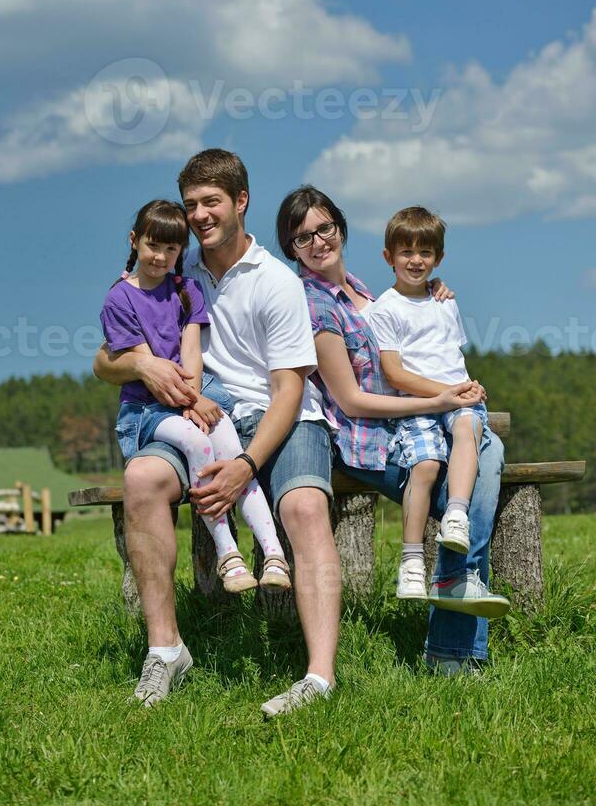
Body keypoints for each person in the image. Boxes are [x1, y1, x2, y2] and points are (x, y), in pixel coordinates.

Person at [94, 151, 339, 714]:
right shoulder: (172, 275)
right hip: (200, 415)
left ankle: (319, 679)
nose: (200, 215)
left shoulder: (276, 281)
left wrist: (246, 466)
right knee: (142, 476)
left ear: (241, 202)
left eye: (211, 203)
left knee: (303, 507)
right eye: (191, 205)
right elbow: (103, 363)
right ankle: (166, 649)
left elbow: (289, 391)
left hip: (278, 418)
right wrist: (140, 366)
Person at [276, 185, 510, 676]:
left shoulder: (365, 289)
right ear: (291, 248)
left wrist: (434, 294)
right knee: (476, 474)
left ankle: (452, 631)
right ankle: (453, 648)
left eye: (325, 228)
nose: (318, 242)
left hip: (421, 418)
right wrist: (442, 398)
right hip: (375, 440)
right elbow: (350, 398)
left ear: (339, 227)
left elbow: (414, 321)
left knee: (484, 458)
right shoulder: (315, 306)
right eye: (302, 238)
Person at [100, 198, 291, 614]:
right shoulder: (120, 300)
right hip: (149, 409)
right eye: (153, 246)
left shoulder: (185, 290)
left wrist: (198, 396)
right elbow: (149, 366)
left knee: (232, 454)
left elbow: (191, 353)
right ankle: (228, 553)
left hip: (196, 391)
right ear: (134, 241)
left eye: (172, 250)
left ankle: (273, 553)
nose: (161, 257)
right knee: (196, 442)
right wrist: (189, 401)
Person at [369, 206, 505, 610]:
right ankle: (411, 561)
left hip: (455, 395)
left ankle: (457, 517)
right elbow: (395, 374)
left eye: (425, 253)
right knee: (425, 466)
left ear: (438, 258)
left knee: (468, 431)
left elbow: (450, 355)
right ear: (388, 256)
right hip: (418, 403)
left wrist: (462, 390)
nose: (416, 260)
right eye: (406, 252)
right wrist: (448, 392)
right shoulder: (385, 308)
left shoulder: (445, 301)